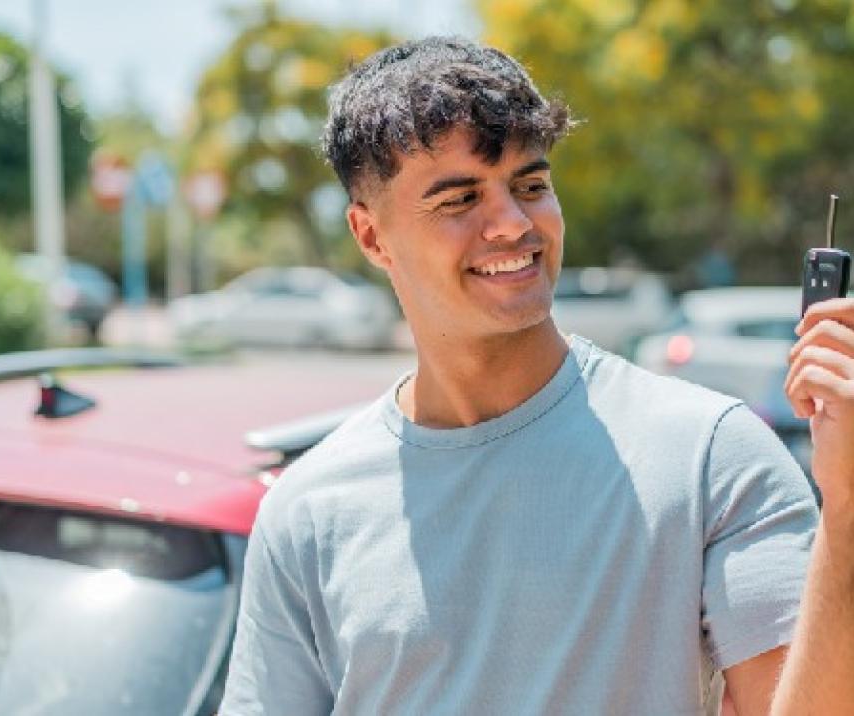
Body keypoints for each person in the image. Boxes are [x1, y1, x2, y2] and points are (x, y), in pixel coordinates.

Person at [220, 37, 854, 715]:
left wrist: (845, 511)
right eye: (459, 199)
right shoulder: (306, 512)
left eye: (530, 185)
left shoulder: (711, 457)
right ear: (370, 236)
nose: (514, 225)